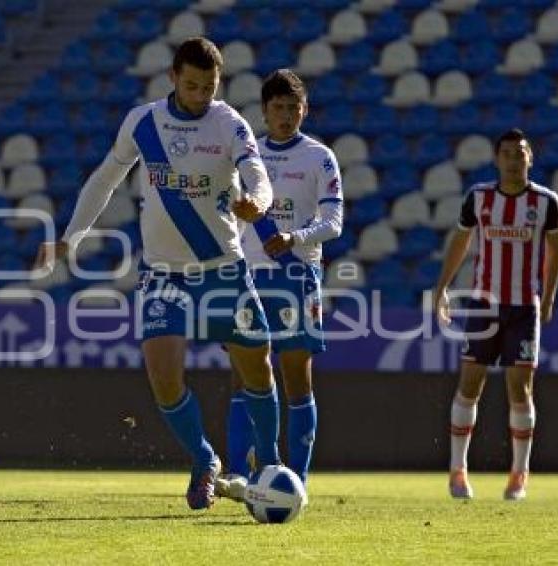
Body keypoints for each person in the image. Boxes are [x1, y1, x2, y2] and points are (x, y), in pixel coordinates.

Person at [35, 37, 280, 510]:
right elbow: (106, 177)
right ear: (172, 77)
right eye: (191, 86)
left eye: (208, 87)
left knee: (257, 368)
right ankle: (204, 459)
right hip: (164, 275)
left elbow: (258, 174)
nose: (200, 95)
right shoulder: (143, 123)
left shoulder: (229, 123)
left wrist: (260, 203)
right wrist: (71, 237)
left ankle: (268, 465)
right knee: (164, 379)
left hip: (223, 270)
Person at [216, 69, 343, 502]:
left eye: (294, 108)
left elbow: (334, 222)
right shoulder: (245, 159)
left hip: (295, 274)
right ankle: (237, 474)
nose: (286, 116)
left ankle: (298, 481)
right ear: (265, 112)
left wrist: (294, 238)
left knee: (296, 377)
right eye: (278, 108)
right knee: (244, 376)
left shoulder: (319, 157)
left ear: (303, 110)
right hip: (247, 275)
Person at [434, 128, 558, 501]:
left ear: (530, 158)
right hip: (483, 305)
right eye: (506, 153)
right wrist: (442, 286)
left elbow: (555, 252)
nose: (513, 159)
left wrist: (550, 296)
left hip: (524, 307)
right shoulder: (479, 198)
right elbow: (461, 241)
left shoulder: (546, 202)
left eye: (520, 153)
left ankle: (519, 475)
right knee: (470, 384)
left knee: (519, 390)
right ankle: (458, 471)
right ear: (497, 159)